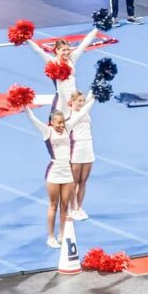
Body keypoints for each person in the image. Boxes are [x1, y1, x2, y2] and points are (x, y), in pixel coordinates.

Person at [23, 106, 85, 248]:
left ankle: (62, 234)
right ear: (52, 122)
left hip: (67, 173)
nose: (61, 125)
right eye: (59, 123)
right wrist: (25, 106)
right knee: (53, 205)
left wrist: (94, 94)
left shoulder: (67, 129)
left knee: (65, 206)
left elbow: (81, 114)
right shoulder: (47, 131)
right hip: (54, 172)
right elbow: (33, 119)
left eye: (63, 122)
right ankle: (51, 237)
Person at [27, 29, 99, 114]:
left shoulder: (72, 58)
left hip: (74, 98)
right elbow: (38, 51)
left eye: (68, 49)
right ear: (57, 50)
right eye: (63, 50)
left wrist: (97, 28)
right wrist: (26, 39)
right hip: (61, 100)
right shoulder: (52, 61)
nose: (67, 52)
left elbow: (85, 43)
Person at [64, 90, 98, 220]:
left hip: (88, 147)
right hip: (77, 148)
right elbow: (89, 103)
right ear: (72, 102)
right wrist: (95, 96)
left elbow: (92, 94)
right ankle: (71, 208)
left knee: (83, 181)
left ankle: (79, 207)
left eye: (83, 101)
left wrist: (100, 77)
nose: (82, 103)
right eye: (79, 101)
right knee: (74, 181)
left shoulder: (85, 110)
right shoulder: (71, 115)